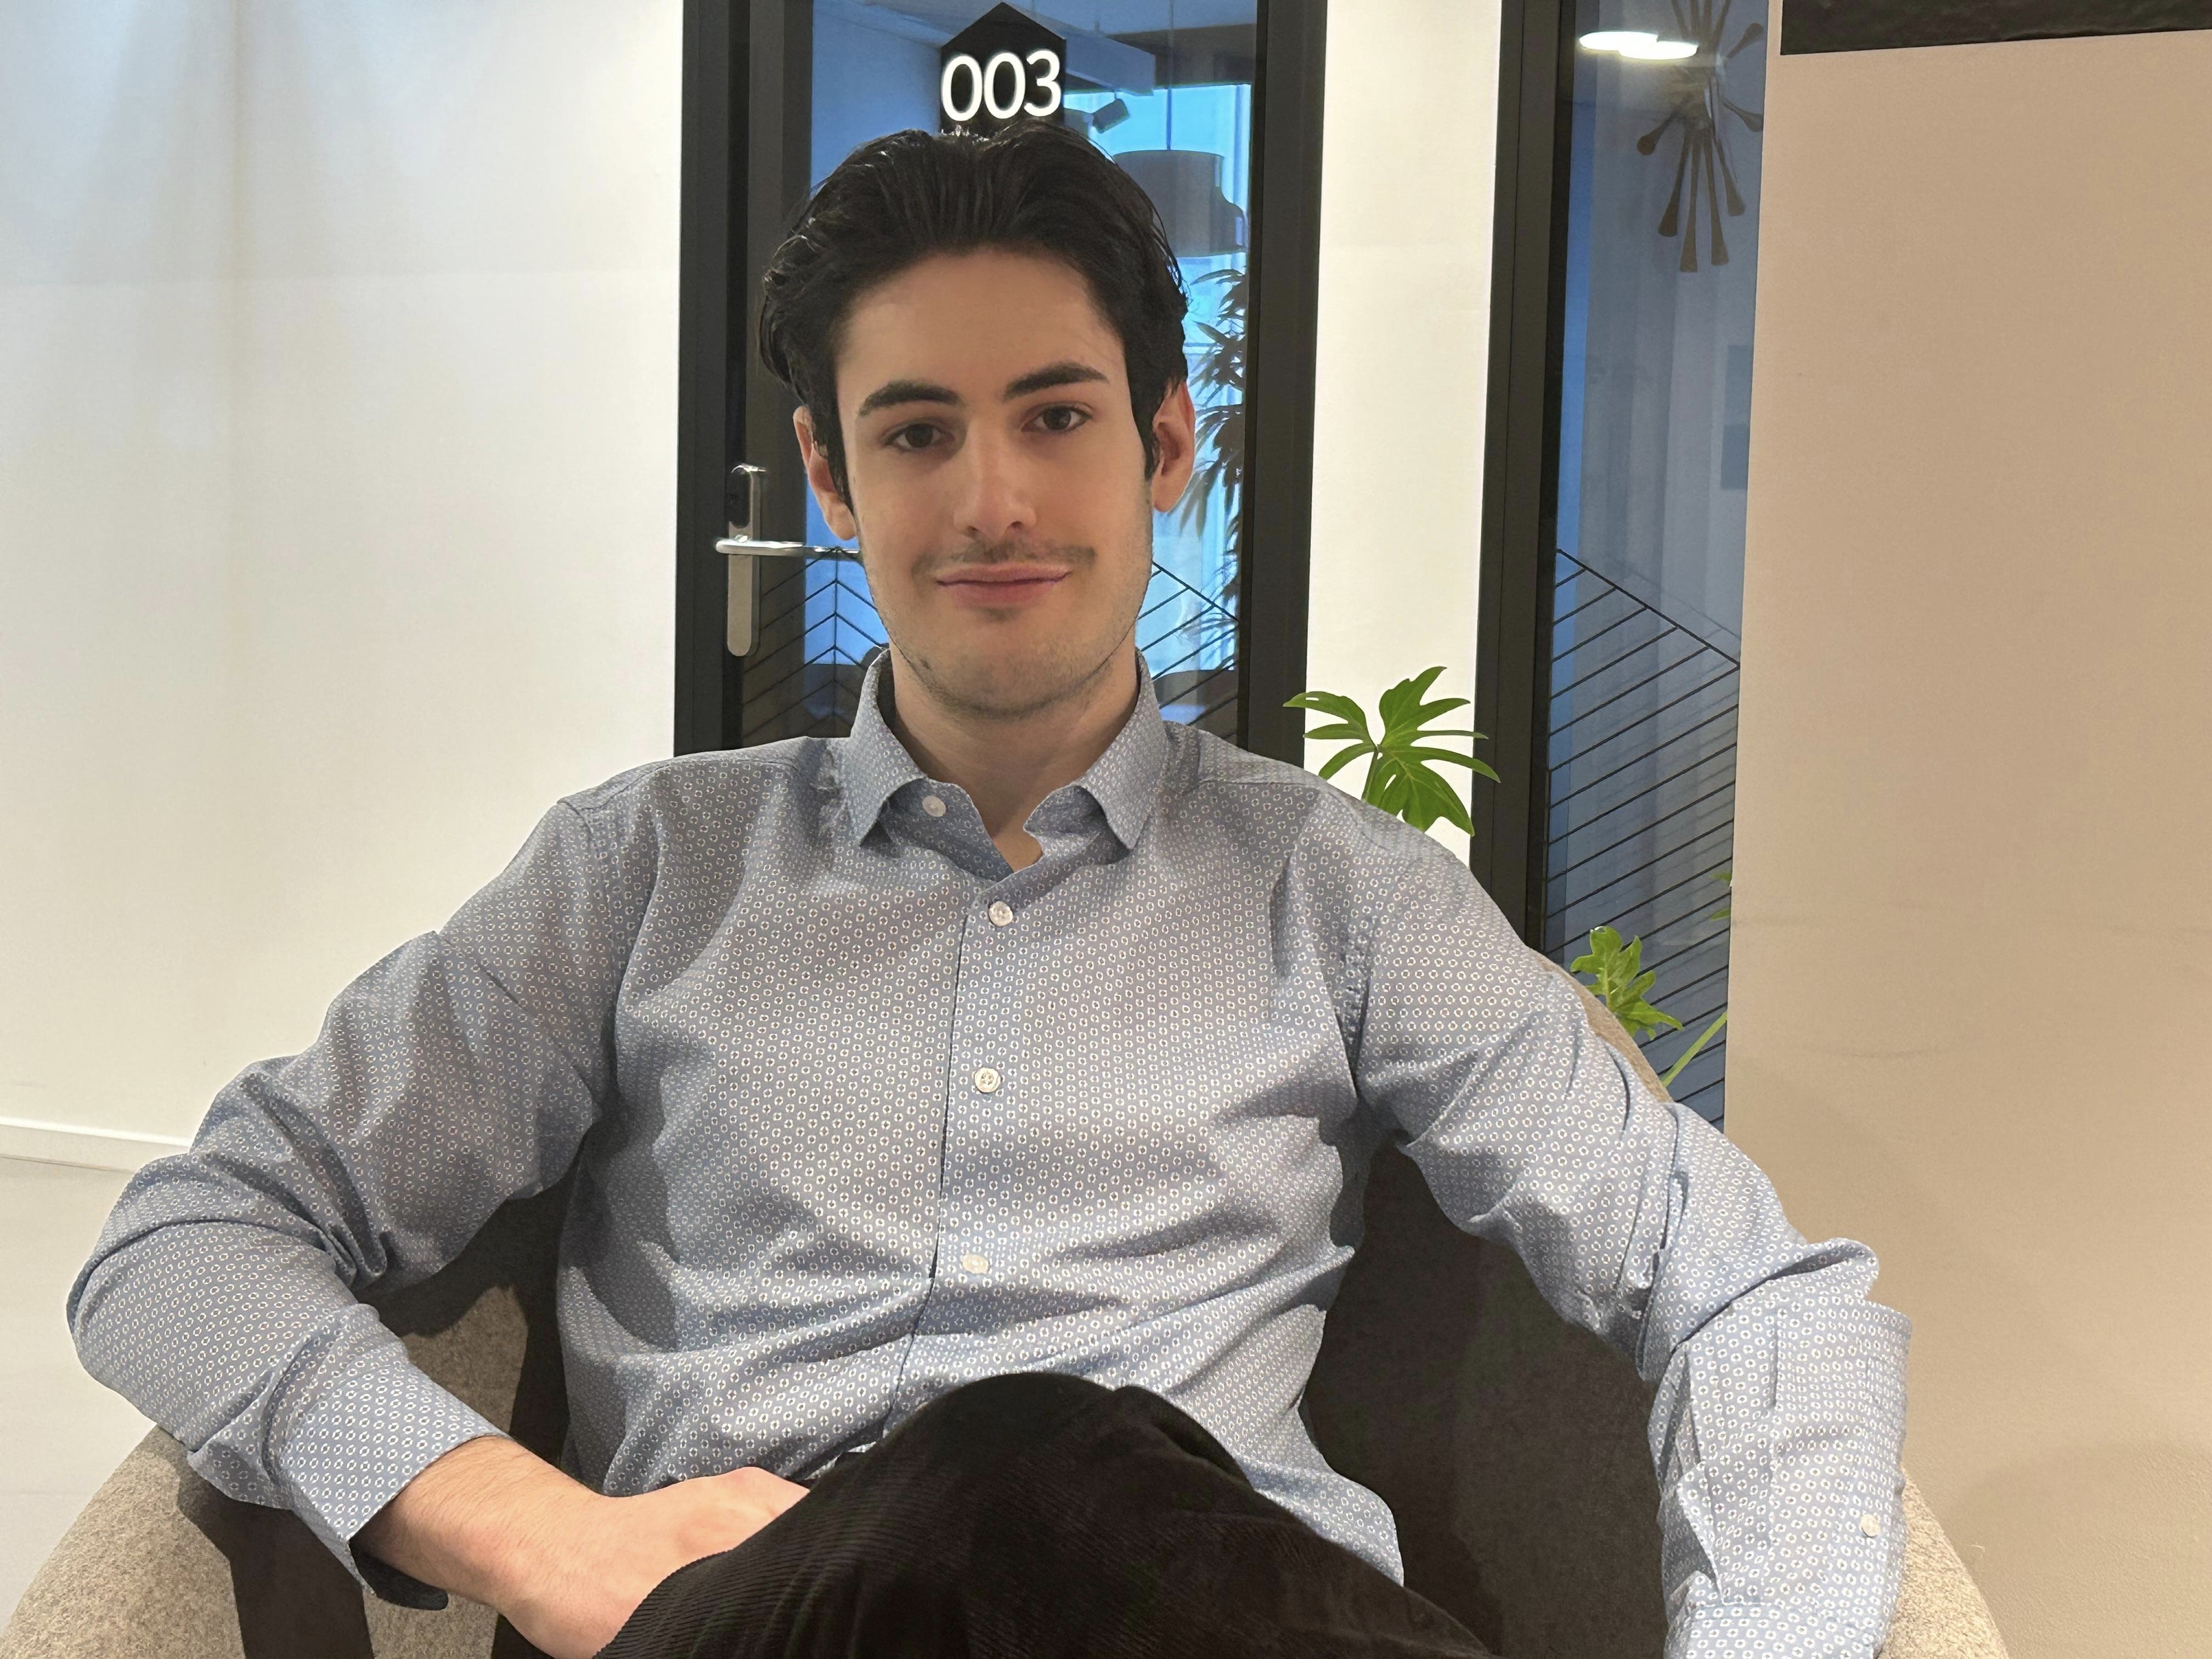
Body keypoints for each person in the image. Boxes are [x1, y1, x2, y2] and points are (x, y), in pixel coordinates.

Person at [69, 121, 1910, 1659]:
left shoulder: (1335, 895)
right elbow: (186, 1241)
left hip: (1214, 1614)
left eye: (1056, 417)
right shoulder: (646, 869)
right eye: (920, 432)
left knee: (1071, 1471)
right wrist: (525, 1528)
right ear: (833, 476)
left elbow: (1760, 1292)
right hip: (759, 1612)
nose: (994, 501)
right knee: (1010, 1454)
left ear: (1166, 447)